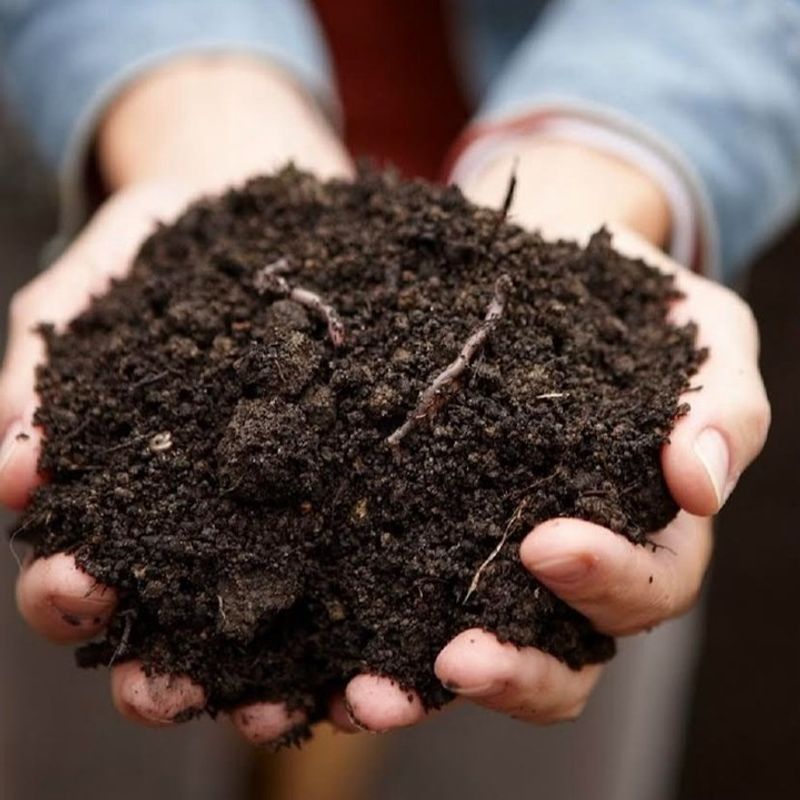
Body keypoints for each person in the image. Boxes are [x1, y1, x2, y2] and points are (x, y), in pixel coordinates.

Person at [0, 0, 790, 796]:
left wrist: (629, 142)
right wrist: (181, 92)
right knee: (88, 742)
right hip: (97, 116)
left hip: (612, 128)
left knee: (532, 685)